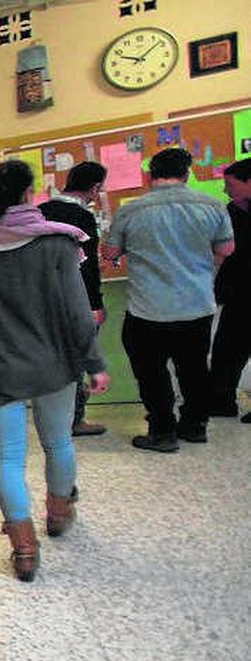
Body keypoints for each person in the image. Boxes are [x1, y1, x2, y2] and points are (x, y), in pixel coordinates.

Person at [0, 159, 110, 582]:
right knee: (58, 442)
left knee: (8, 456)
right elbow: (78, 314)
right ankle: (59, 514)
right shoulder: (57, 244)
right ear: (29, 194)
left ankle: (24, 551)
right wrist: (94, 363)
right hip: (52, 363)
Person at [101, 147, 236, 451]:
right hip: (197, 304)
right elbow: (226, 250)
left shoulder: (131, 210)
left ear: (149, 176)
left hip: (147, 308)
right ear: (186, 174)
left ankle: (162, 431)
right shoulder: (213, 205)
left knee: (151, 372)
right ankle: (195, 425)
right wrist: (202, 267)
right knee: (194, 368)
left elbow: (110, 253)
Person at [39, 160, 110, 436]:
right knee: (79, 358)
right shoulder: (82, 218)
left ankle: (55, 415)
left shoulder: (41, 211)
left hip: (45, 298)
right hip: (75, 298)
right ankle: (75, 419)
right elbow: (87, 266)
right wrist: (95, 304)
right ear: (94, 188)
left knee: (54, 357)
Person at [207, 158, 251, 419]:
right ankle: (222, 401)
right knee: (227, 349)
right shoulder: (231, 212)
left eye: (230, 184)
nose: (226, 190)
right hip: (237, 292)